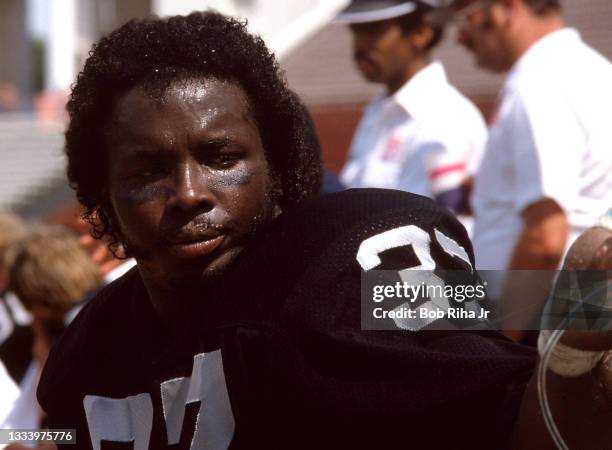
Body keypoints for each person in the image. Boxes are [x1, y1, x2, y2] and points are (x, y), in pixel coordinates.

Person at [36, 11, 610, 449]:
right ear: (101, 201)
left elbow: (510, 405)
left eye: (221, 156)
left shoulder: (341, 267)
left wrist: (579, 326)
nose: (189, 192)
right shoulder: (89, 348)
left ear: (278, 170)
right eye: (147, 171)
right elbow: (52, 438)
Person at [447, 0, 612, 272]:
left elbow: (546, 238)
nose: (460, 38)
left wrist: (508, 315)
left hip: (550, 305)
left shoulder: (537, 83)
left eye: (466, 19)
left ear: (507, 9)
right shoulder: (593, 69)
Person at [338, 0, 487, 214]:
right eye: (355, 31)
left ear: (420, 33)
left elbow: (443, 230)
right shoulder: (379, 112)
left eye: (372, 31)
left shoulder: (448, 118)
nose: (359, 45)